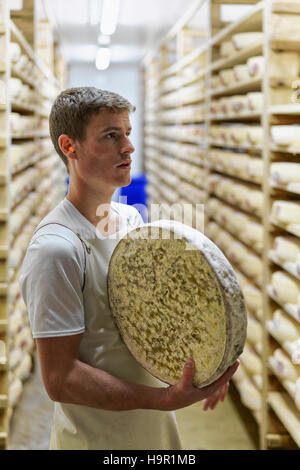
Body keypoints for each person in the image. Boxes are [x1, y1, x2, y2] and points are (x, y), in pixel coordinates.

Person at [19, 87, 239, 450]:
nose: (128, 147)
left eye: (127, 133)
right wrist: (164, 399)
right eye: (110, 135)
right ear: (69, 146)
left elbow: (158, 315)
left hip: (152, 432)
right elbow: (61, 378)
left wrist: (209, 360)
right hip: (97, 439)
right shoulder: (56, 249)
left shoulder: (129, 220)